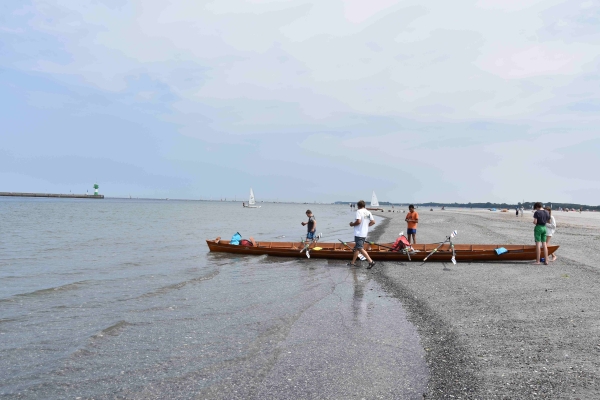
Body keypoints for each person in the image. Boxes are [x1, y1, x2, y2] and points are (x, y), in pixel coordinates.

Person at [348, 200, 376, 269]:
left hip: (359, 233)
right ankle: (352, 262)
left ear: (358, 206)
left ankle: (371, 261)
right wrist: (367, 225)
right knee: (357, 248)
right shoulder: (368, 212)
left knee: (360, 248)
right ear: (364, 205)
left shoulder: (359, 211)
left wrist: (352, 224)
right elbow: (373, 222)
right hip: (364, 232)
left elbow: (358, 221)